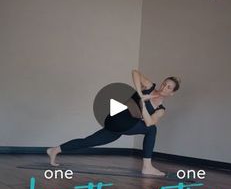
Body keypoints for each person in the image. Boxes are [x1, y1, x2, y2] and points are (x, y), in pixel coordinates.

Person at [47, 70, 180, 176]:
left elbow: (150, 122)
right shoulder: (149, 87)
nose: (164, 87)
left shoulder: (160, 110)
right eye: (164, 83)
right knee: (152, 130)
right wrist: (141, 94)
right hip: (117, 117)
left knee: (89, 141)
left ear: (172, 93)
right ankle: (147, 167)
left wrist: (143, 103)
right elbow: (135, 72)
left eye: (169, 87)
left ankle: (55, 150)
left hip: (121, 125)